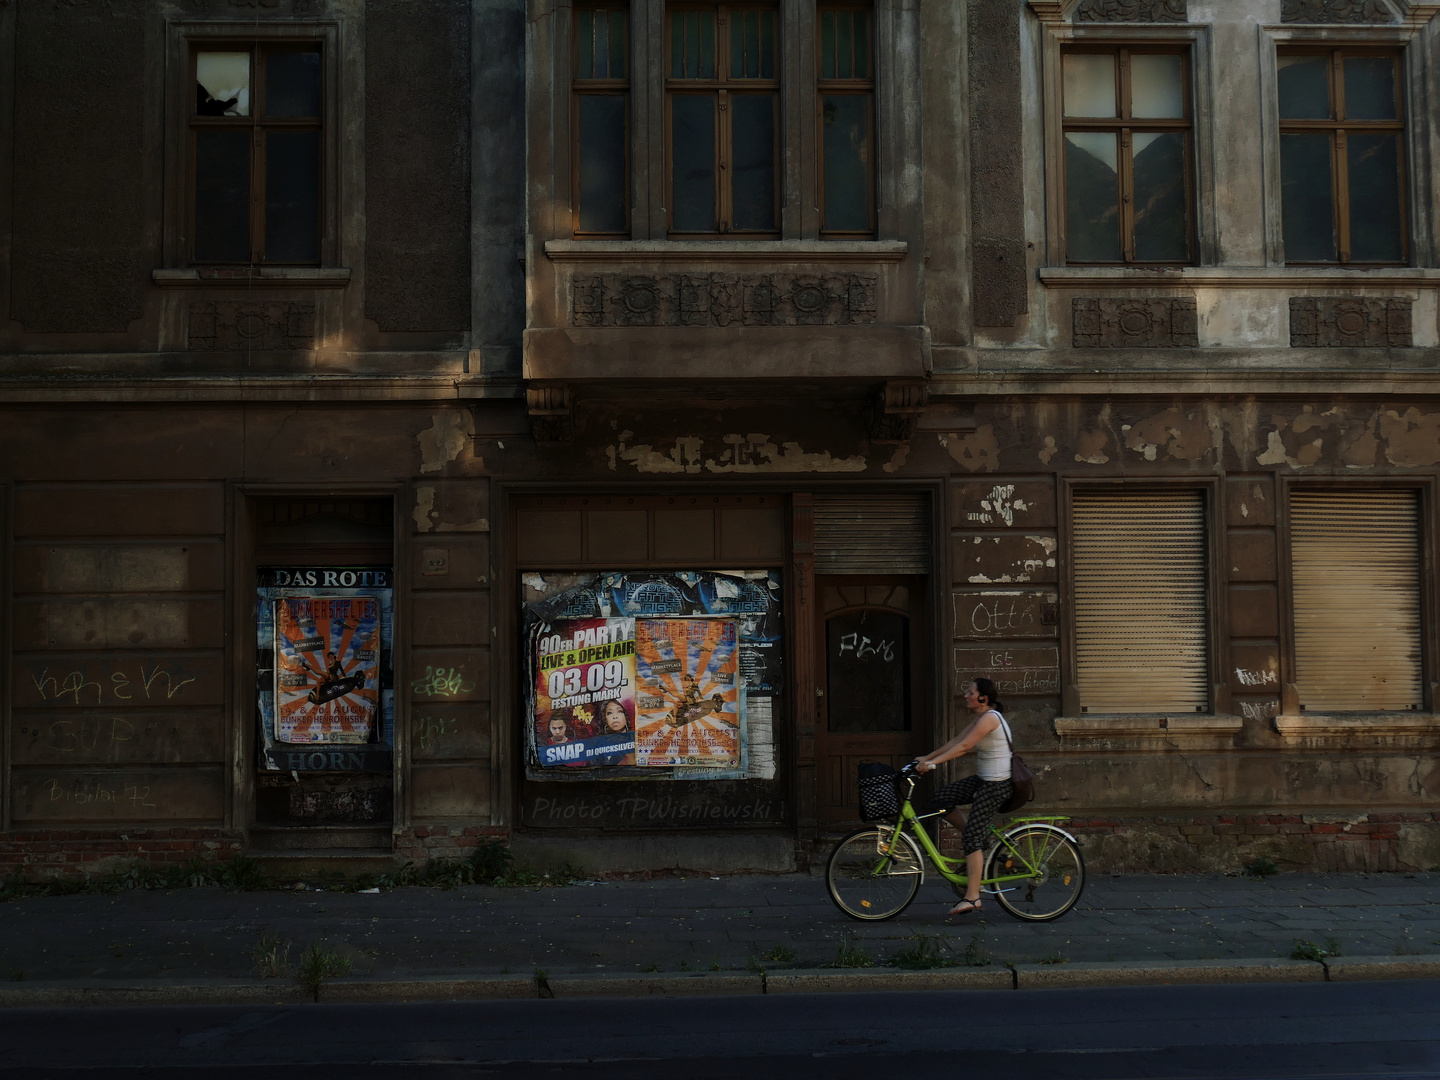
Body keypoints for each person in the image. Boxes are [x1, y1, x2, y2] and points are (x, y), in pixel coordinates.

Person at [914, 677, 1014, 916]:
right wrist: (926, 757)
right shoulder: (981, 717)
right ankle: (980, 839)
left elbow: (964, 748)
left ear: (983, 698)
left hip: (997, 784)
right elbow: (955, 741)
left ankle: (972, 898)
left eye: (970, 692)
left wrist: (933, 764)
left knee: (970, 837)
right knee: (941, 799)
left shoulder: (990, 718)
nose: (966, 696)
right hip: (983, 780)